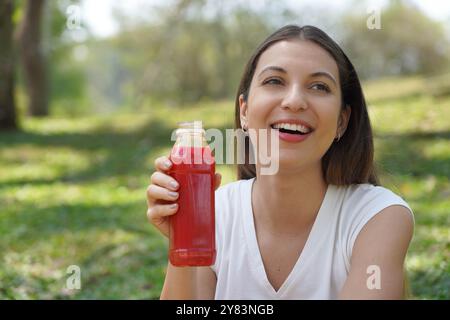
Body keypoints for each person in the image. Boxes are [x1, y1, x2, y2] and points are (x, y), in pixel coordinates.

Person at [146, 25, 414, 299]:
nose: (295, 101)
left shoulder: (378, 217)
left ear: (342, 122)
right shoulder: (216, 216)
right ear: (245, 111)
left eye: (319, 86)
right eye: (274, 81)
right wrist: (184, 238)